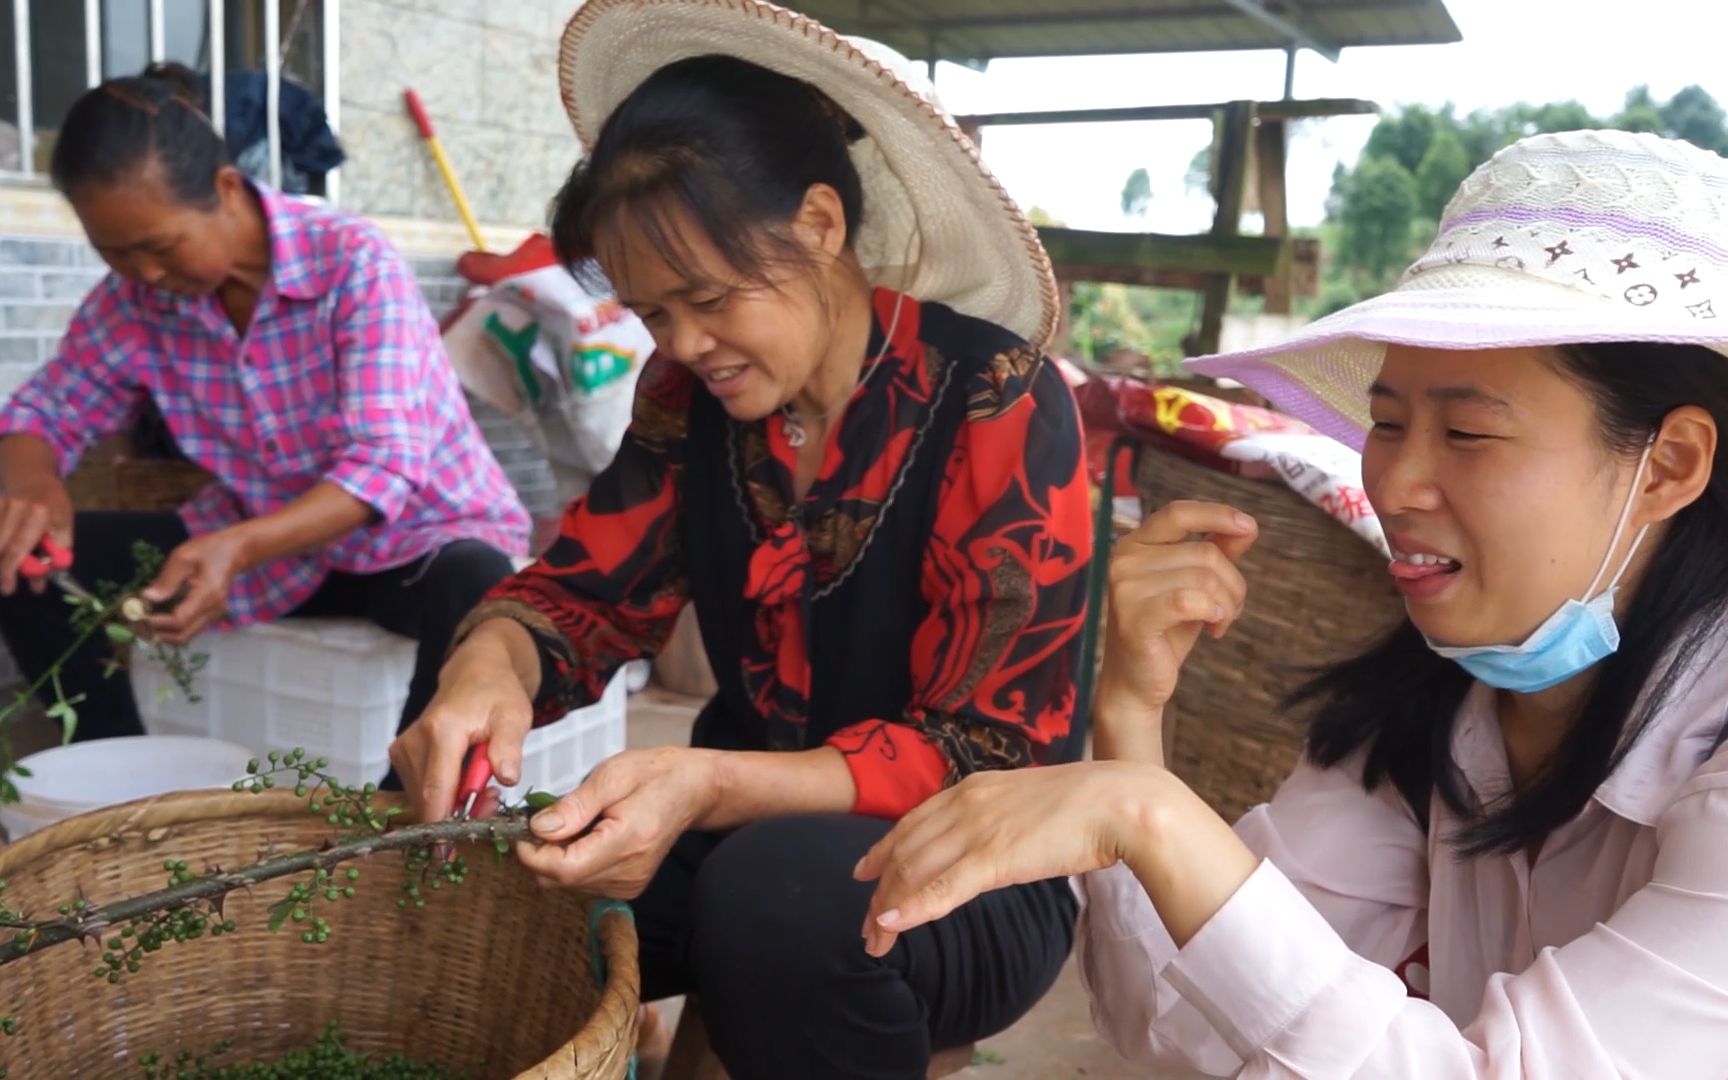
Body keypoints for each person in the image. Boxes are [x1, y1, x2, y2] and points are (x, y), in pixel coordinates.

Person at [856, 129, 1728, 1077]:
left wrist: (1155, 819)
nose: (1395, 484)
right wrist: (1131, 720)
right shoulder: (1428, 716)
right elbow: (1171, 1026)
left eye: (1469, 432)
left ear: (1668, 467)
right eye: (1387, 423)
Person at [390, 2, 1092, 1076]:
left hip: (979, 861)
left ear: (819, 223)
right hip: (746, 830)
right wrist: (488, 668)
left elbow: (985, 750)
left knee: (775, 898)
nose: (681, 344)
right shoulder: (687, 401)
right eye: (651, 313)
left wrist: (707, 785)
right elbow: (583, 596)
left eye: (708, 299)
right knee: (467, 869)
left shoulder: (995, 400)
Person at [0, 71, 530, 751]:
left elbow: (384, 466)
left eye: (160, 247)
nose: (145, 274)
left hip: (415, 542)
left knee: (480, 587)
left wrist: (238, 546)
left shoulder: (352, 263)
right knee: (23, 561)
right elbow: (44, 409)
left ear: (225, 189)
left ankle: (400, 830)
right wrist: (34, 487)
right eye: (114, 252)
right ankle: (118, 774)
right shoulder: (131, 303)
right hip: (265, 549)